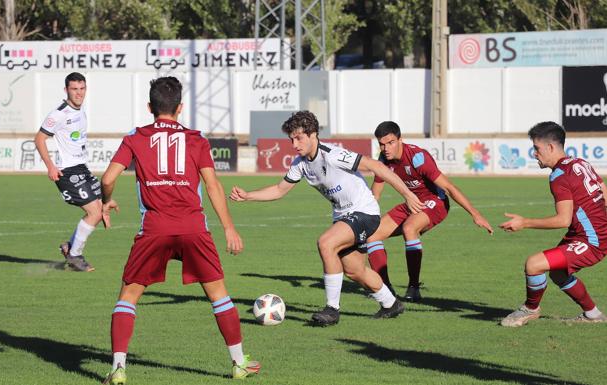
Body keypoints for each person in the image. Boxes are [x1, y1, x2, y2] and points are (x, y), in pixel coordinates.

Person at [99, 76, 259, 383]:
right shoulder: (196, 138)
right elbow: (212, 185)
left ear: (150, 106)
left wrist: (106, 201)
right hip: (193, 227)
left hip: (154, 229)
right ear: (180, 107)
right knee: (219, 296)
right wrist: (229, 228)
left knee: (128, 297)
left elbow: (108, 179)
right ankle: (239, 363)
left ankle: (118, 367)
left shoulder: (135, 137)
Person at [230, 111, 425, 326]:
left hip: (364, 212)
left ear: (313, 135)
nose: (294, 144)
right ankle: (391, 304)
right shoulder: (300, 163)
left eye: (299, 138)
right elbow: (279, 190)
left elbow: (375, 166)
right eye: (291, 139)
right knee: (354, 270)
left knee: (326, 242)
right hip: (344, 216)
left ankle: (332, 310)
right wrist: (248, 196)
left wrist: (408, 194)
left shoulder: (332, 154)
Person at [365, 121, 493, 301]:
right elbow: (375, 194)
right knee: (371, 235)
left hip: (435, 201)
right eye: (382, 144)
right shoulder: (383, 160)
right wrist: (364, 219)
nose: (386, 148)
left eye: (391, 142)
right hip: (412, 203)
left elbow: (449, 187)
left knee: (410, 228)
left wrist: (475, 214)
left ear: (400, 139)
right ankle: (384, 290)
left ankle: (414, 287)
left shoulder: (418, 157)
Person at [499, 121, 607, 327]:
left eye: (536, 148)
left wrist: (524, 222)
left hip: (591, 240)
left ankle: (530, 309)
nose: (534, 154)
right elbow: (604, 192)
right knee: (558, 273)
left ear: (550, 147)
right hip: (588, 235)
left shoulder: (559, 175)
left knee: (533, 264)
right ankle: (593, 314)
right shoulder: (580, 163)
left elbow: (562, 219)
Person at [34, 72, 102, 272]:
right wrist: (50, 166)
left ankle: (69, 247)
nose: (79, 93)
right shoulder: (59, 114)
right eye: (74, 89)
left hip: (82, 167)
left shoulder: (80, 110)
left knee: (99, 210)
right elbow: (39, 139)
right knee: (94, 212)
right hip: (67, 170)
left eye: (82, 89)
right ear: (66, 90)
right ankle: (75, 255)